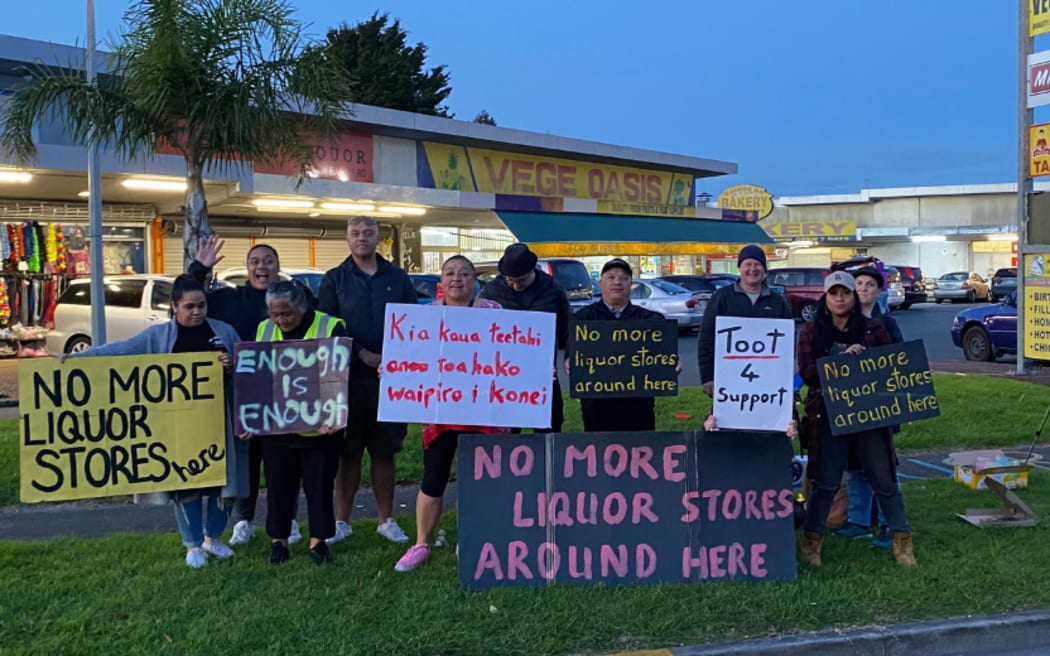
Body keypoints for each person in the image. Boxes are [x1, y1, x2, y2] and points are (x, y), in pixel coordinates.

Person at [67, 274, 246, 568]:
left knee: (225, 484)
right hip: (179, 426)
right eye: (189, 307)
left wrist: (233, 365)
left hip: (221, 423)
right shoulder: (158, 336)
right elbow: (122, 350)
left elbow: (248, 372)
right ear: (174, 306)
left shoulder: (224, 332)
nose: (197, 312)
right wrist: (79, 358)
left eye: (201, 305)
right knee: (186, 483)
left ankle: (213, 538)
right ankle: (192, 545)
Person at [796, 271, 916, 567]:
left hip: (869, 414)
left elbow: (893, 367)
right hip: (826, 416)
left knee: (884, 478)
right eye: (834, 293)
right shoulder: (812, 331)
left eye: (845, 292)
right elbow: (808, 373)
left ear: (854, 296)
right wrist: (840, 361)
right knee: (825, 481)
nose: (840, 298)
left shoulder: (874, 328)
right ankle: (812, 542)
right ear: (825, 297)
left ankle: (902, 541)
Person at [394, 255, 507, 572]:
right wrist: (394, 372)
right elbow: (409, 356)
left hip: (486, 415)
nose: (457, 278)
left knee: (481, 480)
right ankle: (421, 544)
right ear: (441, 281)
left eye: (464, 273)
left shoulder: (494, 313)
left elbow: (512, 353)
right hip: (441, 415)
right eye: (450, 273)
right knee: (433, 479)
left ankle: (471, 538)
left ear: (475, 280)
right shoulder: (426, 316)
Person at [190, 236, 301, 546]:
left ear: (278, 268)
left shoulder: (296, 296)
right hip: (242, 394)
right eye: (255, 261)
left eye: (268, 260)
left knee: (284, 462)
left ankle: (288, 520)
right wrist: (200, 267)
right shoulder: (229, 299)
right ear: (247, 268)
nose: (261, 266)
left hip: (285, 392)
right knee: (246, 461)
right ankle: (244, 520)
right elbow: (188, 296)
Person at [318, 215, 417, 545]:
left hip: (391, 380)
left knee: (385, 451)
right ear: (347, 238)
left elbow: (414, 323)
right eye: (355, 233)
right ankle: (342, 521)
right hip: (347, 380)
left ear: (379, 238)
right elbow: (329, 327)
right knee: (348, 453)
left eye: (369, 232)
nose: (362, 237)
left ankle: (386, 519)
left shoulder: (399, 278)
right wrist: (362, 354)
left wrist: (394, 358)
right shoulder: (334, 280)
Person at [246, 280, 347, 565]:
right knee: (278, 486)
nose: (280, 320)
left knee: (319, 486)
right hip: (277, 427)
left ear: (301, 307)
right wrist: (251, 418)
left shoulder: (330, 326)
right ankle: (279, 541)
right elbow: (257, 377)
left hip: (321, 430)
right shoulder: (264, 329)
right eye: (274, 314)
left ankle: (319, 542)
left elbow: (338, 375)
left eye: (286, 313)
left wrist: (334, 417)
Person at [835, 266, 904, 547]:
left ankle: (891, 524)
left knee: (883, 467)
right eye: (859, 284)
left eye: (869, 284)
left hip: (880, 405)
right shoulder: (839, 322)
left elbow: (901, 359)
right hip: (850, 405)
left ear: (878, 290)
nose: (863, 288)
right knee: (856, 467)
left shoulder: (887, 323)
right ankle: (859, 521)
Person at [566, 258, 670, 432]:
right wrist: (569, 361)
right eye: (611, 277)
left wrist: (671, 364)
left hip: (638, 405)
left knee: (640, 451)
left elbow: (664, 355)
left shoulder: (650, 321)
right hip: (597, 405)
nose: (617, 282)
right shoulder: (583, 319)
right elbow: (572, 354)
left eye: (624, 278)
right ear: (600, 283)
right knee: (599, 452)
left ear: (631, 284)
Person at [479, 243, 569, 432]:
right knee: (506, 432)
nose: (515, 285)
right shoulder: (491, 292)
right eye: (510, 280)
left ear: (532, 271)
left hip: (544, 374)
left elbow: (566, 328)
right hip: (503, 376)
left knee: (550, 427)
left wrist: (567, 354)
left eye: (520, 279)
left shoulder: (553, 289)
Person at [697, 244, 792, 397]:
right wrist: (707, 377)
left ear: (764, 269)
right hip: (728, 376)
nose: (752, 269)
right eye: (748, 264)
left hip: (768, 377)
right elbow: (706, 339)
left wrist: (784, 374)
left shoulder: (777, 301)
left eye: (757, 264)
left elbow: (788, 342)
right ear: (740, 268)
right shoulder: (722, 297)